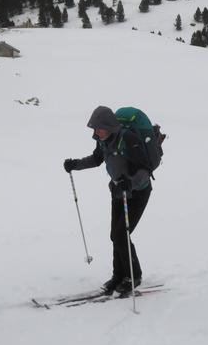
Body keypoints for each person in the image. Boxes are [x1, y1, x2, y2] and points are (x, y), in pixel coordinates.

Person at [63, 106, 153, 297]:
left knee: (120, 234)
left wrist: (130, 183)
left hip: (137, 193)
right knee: (115, 235)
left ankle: (133, 276)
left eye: (98, 128)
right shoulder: (103, 141)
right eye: (94, 129)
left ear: (109, 126)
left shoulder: (128, 139)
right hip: (117, 192)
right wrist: (75, 165)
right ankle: (118, 275)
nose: (96, 132)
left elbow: (145, 171)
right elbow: (96, 160)